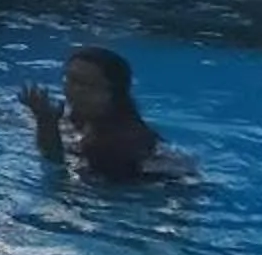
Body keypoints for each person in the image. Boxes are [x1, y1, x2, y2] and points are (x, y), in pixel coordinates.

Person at [23, 47, 193, 183]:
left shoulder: (117, 140)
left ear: (113, 92)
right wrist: (44, 120)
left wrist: (46, 125)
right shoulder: (80, 119)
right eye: (70, 80)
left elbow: (62, 178)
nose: (74, 90)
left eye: (86, 84)